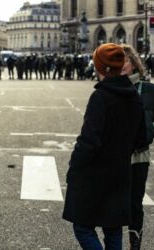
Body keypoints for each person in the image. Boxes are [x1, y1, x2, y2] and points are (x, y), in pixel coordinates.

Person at [62, 43, 147, 250]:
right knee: (113, 228)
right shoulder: (134, 96)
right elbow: (141, 139)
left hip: (95, 174)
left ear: (99, 67)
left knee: (82, 227)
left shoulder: (101, 97)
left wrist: (75, 166)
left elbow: (89, 141)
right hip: (120, 173)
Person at [121, 44, 154, 250]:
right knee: (114, 203)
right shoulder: (111, 89)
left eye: (125, 60)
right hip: (116, 158)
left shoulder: (148, 90)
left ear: (134, 63)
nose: (122, 65)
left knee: (135, 204)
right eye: (117, 61)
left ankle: (135, 245)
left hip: (139, 157)